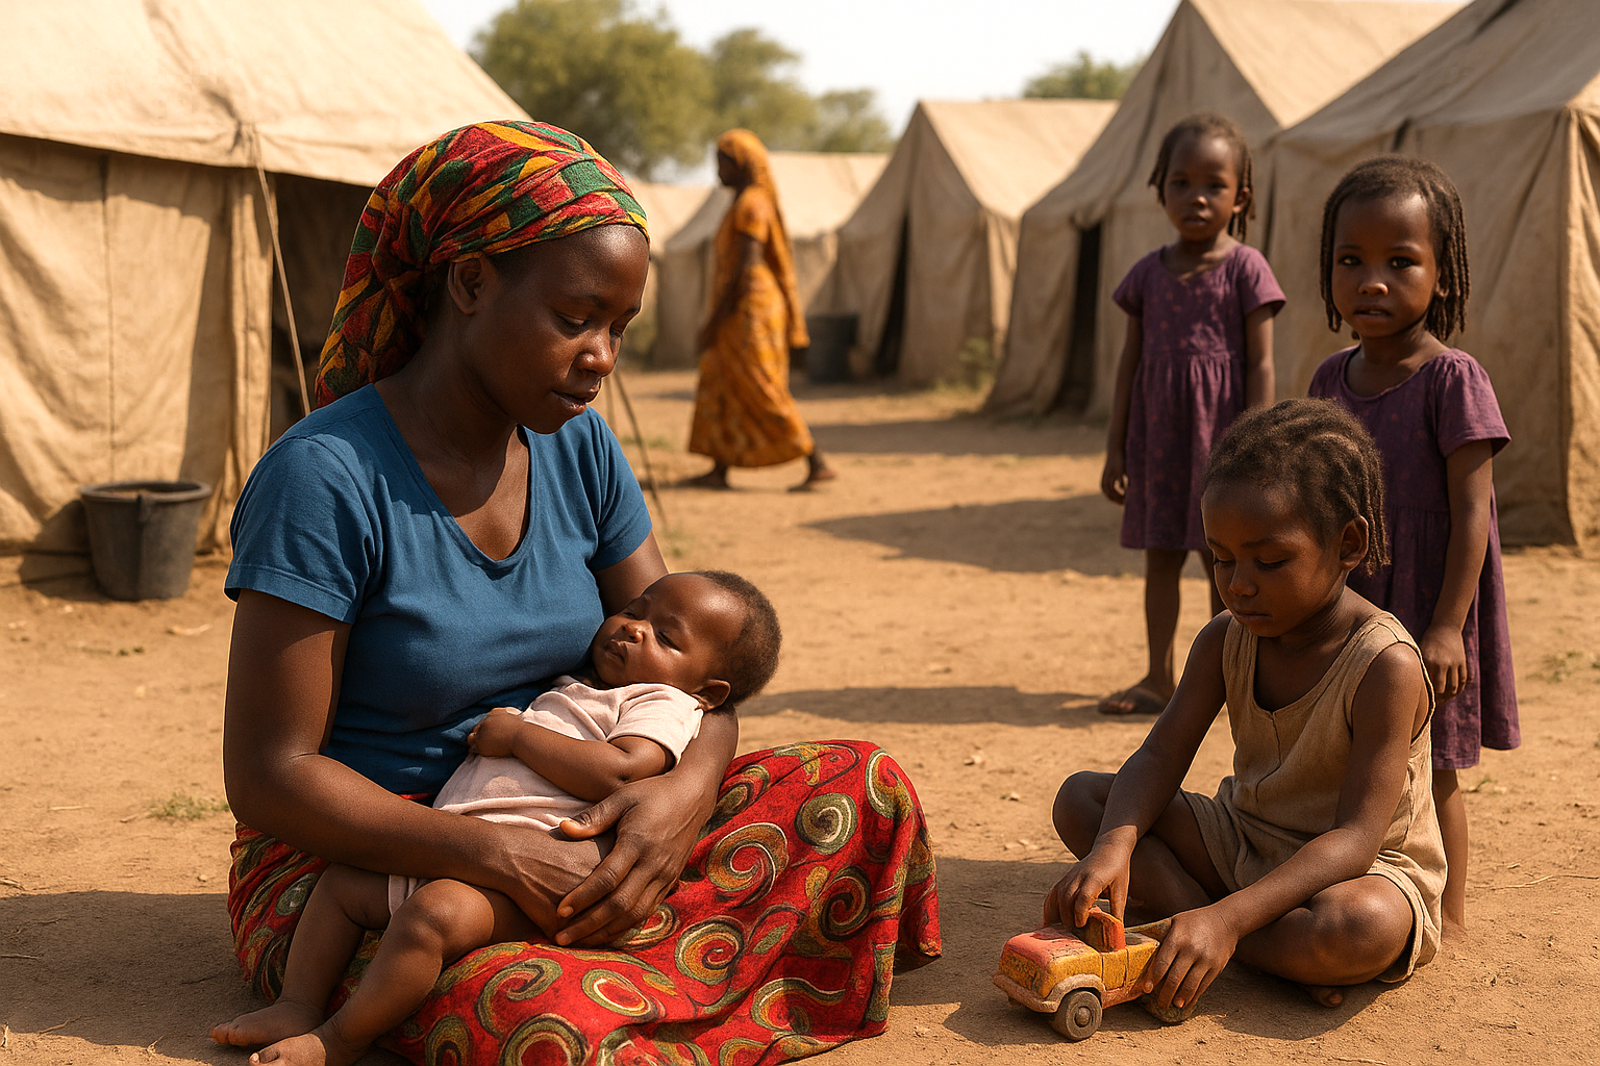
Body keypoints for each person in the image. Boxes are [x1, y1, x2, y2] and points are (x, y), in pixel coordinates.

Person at [219, 120, 940, 1066]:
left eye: (619, 329)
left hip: (566, 819)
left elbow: (695, 680)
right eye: (576, 319)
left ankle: (624, 961)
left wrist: (679, 796)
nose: (602, 355)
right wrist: (488, 852)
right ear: (470, 284)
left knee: (864, 787)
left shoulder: (578, 447)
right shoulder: (326, 477)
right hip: (369, 877)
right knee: (538, 1021)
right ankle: (653, 976)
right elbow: (271, 775)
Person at [212, 570, 781, 1066]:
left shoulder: (661, 703)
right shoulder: (588, 684)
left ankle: (339, 1040)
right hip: (454, 844)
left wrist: (518, 735)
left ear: (707, 691)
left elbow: (622, 773)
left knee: (431, 914)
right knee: (340, 887)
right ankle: (297, 1003)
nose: (633, 627)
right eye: (634, 610)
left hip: (547, 869)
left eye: (665, 636)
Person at [1050, 399, 1446, 1015]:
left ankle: (1206, 931)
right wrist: (1112, 848)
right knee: (1085, 801)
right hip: (1242, 838)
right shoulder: (1224, 638)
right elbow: (1159, 756)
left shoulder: (1384, 665)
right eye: (1222, 558)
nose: (1237, 583)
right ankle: (1228, 938)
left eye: (1269, 561)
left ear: (1347, 544)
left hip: (1354, 873)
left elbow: (1356, 839)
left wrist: (1227, 917)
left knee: (1357, 930)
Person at [1307, 155, 1517, 937]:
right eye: (1350, 260)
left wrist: (1444, 625)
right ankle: (1349, 902)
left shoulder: (1453, 379)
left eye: (1401, 261)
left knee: (1432, 767)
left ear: (1443, 274)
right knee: (1349, 766)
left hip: (1428, 600)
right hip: (1353, 609)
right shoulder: (1330, 380)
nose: (1373, 280)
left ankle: (1447, 913)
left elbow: (1472, 517)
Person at [1099, 113, 1285, 716]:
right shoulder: (1147, 276)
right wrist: (1114, 449)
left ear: (1241, 196)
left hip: (1222, 444)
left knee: (1223, 561)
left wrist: (1259, 449)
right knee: (1160, 555)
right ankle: (1158, 676)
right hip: (1159, 442)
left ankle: (1231, 674)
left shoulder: (1246, 269)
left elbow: (1260, 366)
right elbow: (1129, 366)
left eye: (1214, 184)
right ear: (1160, 190)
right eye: (1180, 182)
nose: (1196, 196)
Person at [683, 128, 835, 491]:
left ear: (742, 165)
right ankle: (720, 467)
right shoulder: (743, 202)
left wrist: (716, 319)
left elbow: (746, 265)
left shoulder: (753, 203)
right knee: (721, 378)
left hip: (750, 307)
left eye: (723, 162)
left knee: (758, 383)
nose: (717, 170)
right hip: (741, 305)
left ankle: (816, 460)